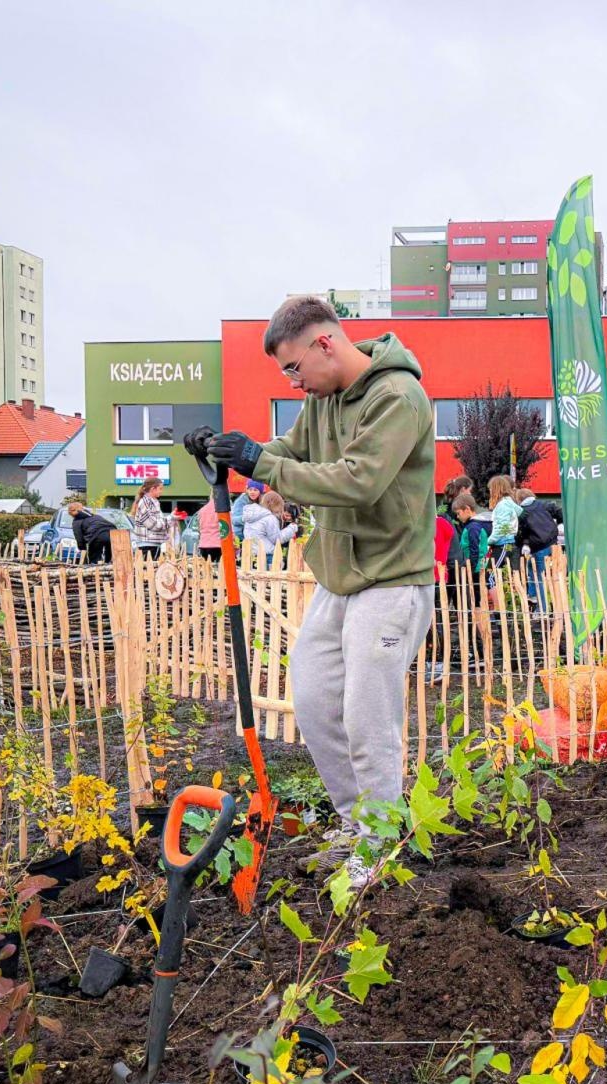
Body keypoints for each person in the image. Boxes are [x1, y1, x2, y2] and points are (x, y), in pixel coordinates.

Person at [186, 295, 435, 888]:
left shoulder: (397, 397)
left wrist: (261, 464)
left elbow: (359, 481)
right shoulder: (321, 402)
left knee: (367, 715)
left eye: (295, 369)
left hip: (392, 578)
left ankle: (380, 841)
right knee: (317, 698)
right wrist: (230, 451)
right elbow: (286, 457)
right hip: (338, 578)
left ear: (326, 343)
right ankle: (358, 827)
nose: (294, 382)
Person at [516, 486, 559, 605]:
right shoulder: (543, 504)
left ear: (519, 500)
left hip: (538, 547)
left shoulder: (522, 513)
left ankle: (542, 607)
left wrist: (523, 545)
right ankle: (533, 595)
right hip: (552, 543)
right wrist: (560, 524)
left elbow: (523, 532)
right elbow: (559, 511)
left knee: (538, 577)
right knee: (534, 568)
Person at [243, 491, 297, 561]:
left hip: (251, 553)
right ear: (276, 505)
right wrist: (292, 528)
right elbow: (277, 539)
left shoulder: (251, 516)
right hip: (267, 554)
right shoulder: (270, 518)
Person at [131, 478, 173, 558]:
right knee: (149, 569)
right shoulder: (145, 503)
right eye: (160, 489)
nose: (161, 491)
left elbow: (159, 523)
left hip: (153, 544)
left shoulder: (153, 502)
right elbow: (154, 525)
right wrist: (171, 518)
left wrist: (170, 519)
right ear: (152, 489)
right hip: (147, 545)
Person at [487, 475, 521, 571]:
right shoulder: (508, 503)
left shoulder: (502, 506)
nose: (489, 492)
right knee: (509, 575)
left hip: (503, 545)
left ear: (496, 490)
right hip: (509, 543)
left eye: (490, 489)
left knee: (491, 574)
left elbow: (502, 527)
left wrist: (489, 541)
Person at [67, 500, 114, 565]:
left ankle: (95, 570)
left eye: (69, 512)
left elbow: (79, 537)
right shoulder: (95, 516)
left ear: (71, 512)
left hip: (97, 535)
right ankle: (109, 567)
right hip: (113, 533)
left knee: (94, 557)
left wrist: (82, 548)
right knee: (110, 556)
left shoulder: (77, 521)